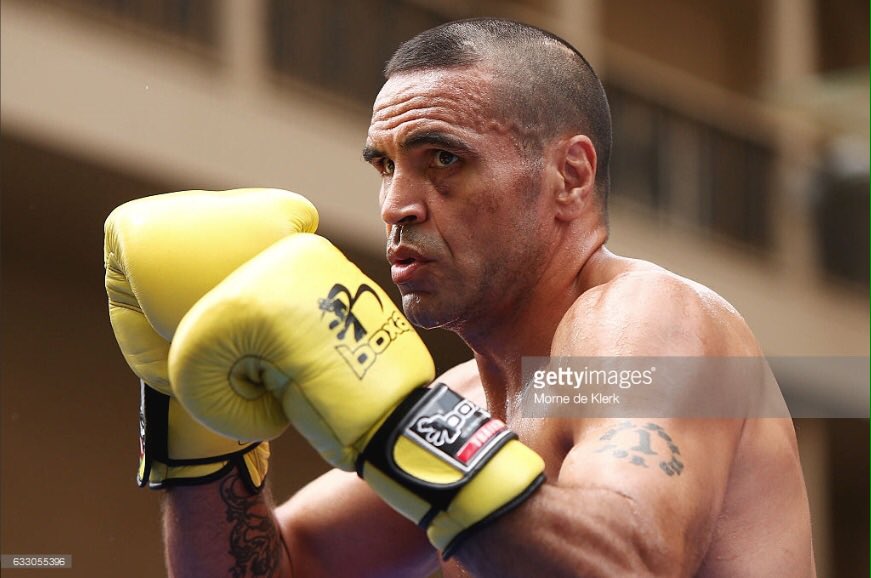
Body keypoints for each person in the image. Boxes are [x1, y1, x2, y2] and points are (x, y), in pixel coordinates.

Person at [106, 18, 816, 578]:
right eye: (385, 166)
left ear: (569, 176)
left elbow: (628, 563)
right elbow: (284, 568)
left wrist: (397, 425)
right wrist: (195, 434)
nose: (395, 205)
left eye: (442, 159)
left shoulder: (648, 320)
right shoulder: (471, 402)